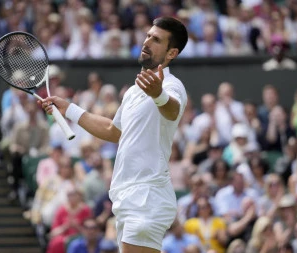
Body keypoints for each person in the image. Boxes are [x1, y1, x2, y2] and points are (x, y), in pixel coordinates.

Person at [41, 16, 189, 253]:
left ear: (171, 53)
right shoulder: (132, 92)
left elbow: (171, 111)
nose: (147, 41)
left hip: (146, 196)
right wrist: (69, 109)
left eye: (157, 39)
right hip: (127, 198)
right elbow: (113, 131)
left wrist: (159, 94)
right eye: (148, 35)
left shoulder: (172, 85)